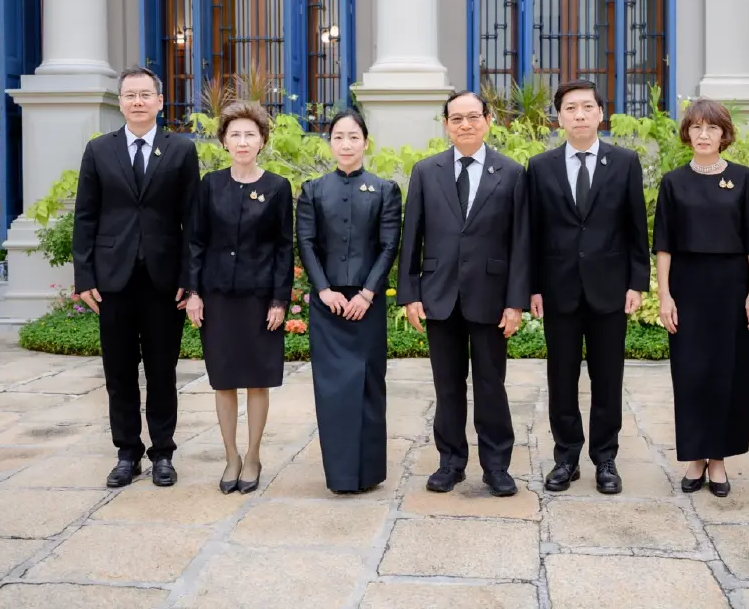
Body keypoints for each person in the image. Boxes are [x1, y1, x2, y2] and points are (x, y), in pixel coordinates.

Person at [396, 90, 530, 497]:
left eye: (473, 117)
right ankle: (450, 462)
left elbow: (521, 241)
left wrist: (515, 302)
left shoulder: (511, 172)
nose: (465, 125)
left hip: (490, 296)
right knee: (447, 386)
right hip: (439, 295)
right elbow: (412, 235)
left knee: (491, 384)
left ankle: (496, 466)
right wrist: (410, 293)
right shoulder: (426, 171)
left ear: (489, 120)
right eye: (457, 119)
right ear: (446, 125)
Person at [73, 66, 200, 489]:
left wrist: (190, 277)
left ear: (160, 101)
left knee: (163, 371)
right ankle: (127, 452)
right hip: (113, 280)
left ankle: (162, 452)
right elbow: (85, 216)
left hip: (165, 282)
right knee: (120, 372)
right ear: (121, 102)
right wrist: (84, 276)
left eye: (146, 94)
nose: (138, 101)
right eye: (130, 95)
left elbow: (192, 221)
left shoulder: (181, 150)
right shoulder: (99, 150)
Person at [527, 80, 650, 495]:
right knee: (561, 377)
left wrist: (637, 283)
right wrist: (533, 287)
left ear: (601, 113)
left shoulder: (625, 162)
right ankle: (565, 457)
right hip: (558, 289)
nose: (578, 115)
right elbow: (533, 233)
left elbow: (636, 229)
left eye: (586, 107)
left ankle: (605, 458)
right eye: (570, 108)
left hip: (610, 289)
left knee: (607, 377)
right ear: (558, 117)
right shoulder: (540, 166)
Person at [652, 98, 749, 498]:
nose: (704, 135)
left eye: (712, 128)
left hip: (733, 287)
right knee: (690, 374)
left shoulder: (743, 178)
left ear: (724, 134)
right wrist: (664, 295)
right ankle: (694, 456)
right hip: (687, 287)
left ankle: (717, 459)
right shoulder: (674, 181)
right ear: (687, 133)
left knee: (729, 374)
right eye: (697, 127)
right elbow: (663, 244)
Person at [185, 101, 293, 494]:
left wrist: (281, 300)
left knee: (257, 380)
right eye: (235, 135)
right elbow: (196, 242)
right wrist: (194, 293)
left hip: (260, 298)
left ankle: (252, 455)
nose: (243, 141)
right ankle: (229, 455)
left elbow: (284, 248)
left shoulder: (278, 187)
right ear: (224, 141)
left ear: (262, 140)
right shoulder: (210, 184)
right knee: (224, 380)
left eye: (250, 134)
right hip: (216, 297)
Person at [296, 110, 402, 494]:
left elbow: (389, 244)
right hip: (327, 306)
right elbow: (305, 243)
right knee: (333, 391)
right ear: (331, 143)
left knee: (370, 386)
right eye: (339, 136)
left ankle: (369, 473)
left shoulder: (386, 190)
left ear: (365, 142)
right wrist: (323, 290)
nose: (346, 144)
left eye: (353, 137)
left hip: (366, 305)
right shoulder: (312, 190)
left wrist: (368, 293)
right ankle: (340, 475)